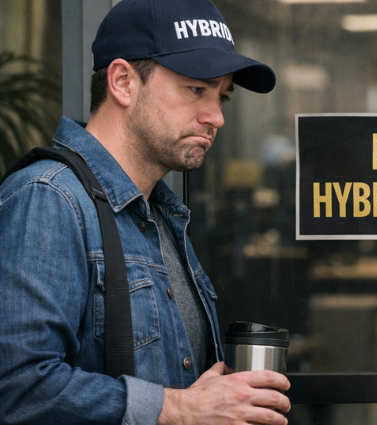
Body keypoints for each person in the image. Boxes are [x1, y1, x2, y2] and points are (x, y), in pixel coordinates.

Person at [0, 0, 291, 423]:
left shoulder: (159, 216)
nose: (216, 117)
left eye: (222, 97)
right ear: (123, 82)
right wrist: (180, 409)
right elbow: (17, 388)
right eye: (196, 90)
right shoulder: (49, 199)